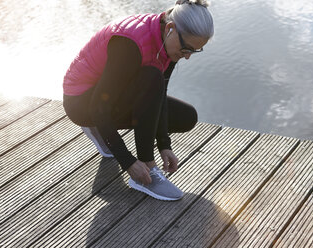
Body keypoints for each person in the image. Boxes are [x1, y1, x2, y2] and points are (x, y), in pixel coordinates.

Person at [63, 0, 214, 201]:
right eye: (187, 48)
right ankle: (146, 172)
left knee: (186, 117)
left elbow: (159, 93)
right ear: (170, 28)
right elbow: (100, 107)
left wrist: (164, 144)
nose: (187, 57)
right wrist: (129, 162)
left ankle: (101, 129)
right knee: (151, 77)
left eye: (194, 51)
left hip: (108, 93)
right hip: (82, 102)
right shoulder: (130, 43)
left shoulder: (167, 39)